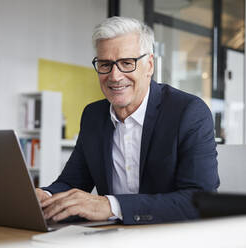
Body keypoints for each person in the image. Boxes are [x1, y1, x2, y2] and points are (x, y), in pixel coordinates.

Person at [35, 16, 219, 225]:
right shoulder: (93, 116)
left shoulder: (188, 113)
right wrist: (45, 197)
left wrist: (111, 206)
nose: (114, 76)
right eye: (105, 64)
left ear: (149, 65)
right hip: (111, 237)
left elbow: (199, 200)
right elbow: (72, 182)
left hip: (171, 236)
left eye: (126, 63)